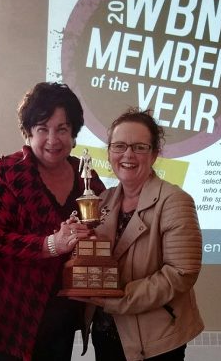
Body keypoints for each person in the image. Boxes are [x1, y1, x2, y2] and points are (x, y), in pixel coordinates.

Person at [0, 82, 105, 361]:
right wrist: (51, 245)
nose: (53, 139)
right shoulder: (8, 172)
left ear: (73, 133)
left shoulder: (88, 179)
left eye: (62, 129)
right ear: (29, 132)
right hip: (10, 311)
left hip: (62, 308)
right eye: (43, 128)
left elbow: (105, 225)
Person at [81, 108, 204, 361]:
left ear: (154, 154)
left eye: (139, 147)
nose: (128, 155)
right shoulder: (103, 200)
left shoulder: (175, 201)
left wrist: (117, 299)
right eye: (119, 146)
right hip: (105, 334)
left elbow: (181, 273)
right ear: (109, 152)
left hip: (155, 342)